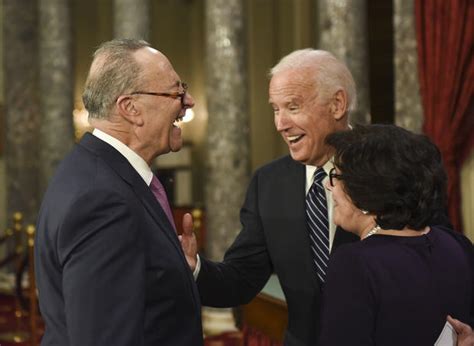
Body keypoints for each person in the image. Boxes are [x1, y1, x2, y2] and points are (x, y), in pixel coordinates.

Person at [181, 49, 358, 345]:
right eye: (276, 109)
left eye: (293, 106)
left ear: (337, 104)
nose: (280, 124)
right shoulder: (268, 183)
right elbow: (240, 279)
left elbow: (432, 256)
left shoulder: (392, 166)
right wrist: (194, 267)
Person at [35, 39, 203, 346]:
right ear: (131, 108)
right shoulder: (103, 200)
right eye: (176, 91)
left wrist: (176, 269)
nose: (188, 101)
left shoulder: (98, 172)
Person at [318, 124, 473, 345]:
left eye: (337, 176)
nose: (328, 185)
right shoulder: (458, 245)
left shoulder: (355, 264)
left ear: (366, 191)